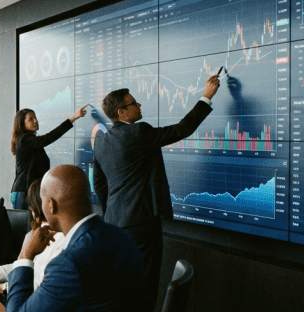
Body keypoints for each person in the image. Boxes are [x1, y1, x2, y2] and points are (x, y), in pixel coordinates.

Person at [93, 74, 220, 309]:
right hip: (142, 224)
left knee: (122, 285)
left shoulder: (101, 141)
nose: (139, 105)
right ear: (121, 112)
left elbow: (99, 184)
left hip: (114, 223)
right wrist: (206, 97)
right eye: (133, 103)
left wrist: (113, 211)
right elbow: (182, 129)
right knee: (146, 285)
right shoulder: (139, 133)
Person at [6, 165, 146, 311]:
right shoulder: (123, 236)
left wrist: (25, 256)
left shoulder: (67, 264)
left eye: (42, 200)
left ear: (51, 205)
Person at [10, 104, 89, 210]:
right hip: (23, 193)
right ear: (22, 124)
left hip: (27, 192)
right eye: (31, 119)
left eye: (35, 117)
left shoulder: (30, 141)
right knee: (25, 225)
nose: (35, 121)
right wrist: (73, 118)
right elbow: (49, 137)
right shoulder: (25, 140)